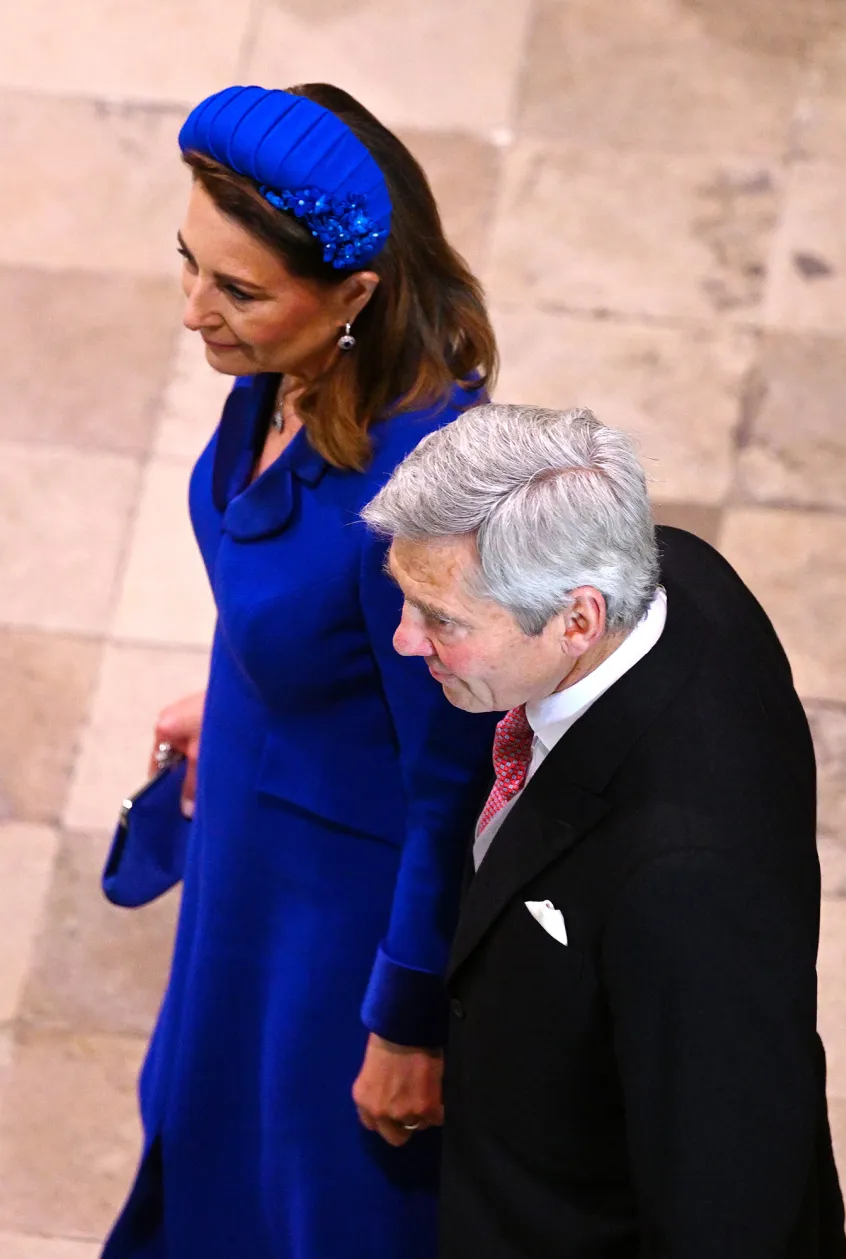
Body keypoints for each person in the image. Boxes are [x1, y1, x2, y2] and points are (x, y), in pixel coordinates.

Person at [102, 84, 499, 1259]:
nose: (195, 313)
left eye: (238, 291)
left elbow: (454, 780)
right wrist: (237, 700)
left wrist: (408, 1020)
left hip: (340, 914)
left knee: (310, 1198)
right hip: (248, 851)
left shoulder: (423, 499)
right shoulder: (284, 377)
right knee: (207, 1126)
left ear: (355, 297)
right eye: (190, 264)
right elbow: (290, 600)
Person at [361, 403, 846, 1259]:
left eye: (443, 618)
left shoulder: (684, 876)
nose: (407, 639)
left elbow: (726, 1194)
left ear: (578, 619)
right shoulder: (680, 573)